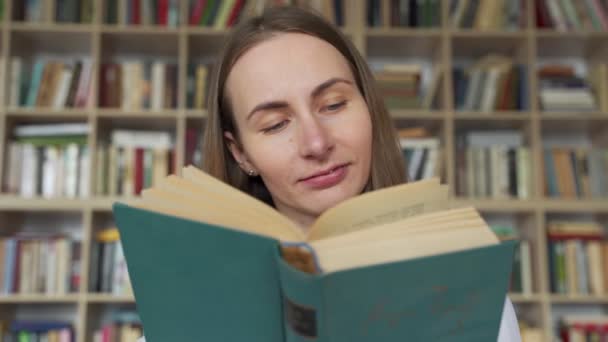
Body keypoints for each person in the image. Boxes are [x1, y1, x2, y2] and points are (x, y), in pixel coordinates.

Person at [138, 5, 521, 342]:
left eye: (334, 104)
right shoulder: (188, 316)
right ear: (241, 154)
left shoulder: (470, 299)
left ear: (368, 109)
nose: (316, 143)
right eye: (275, 125)